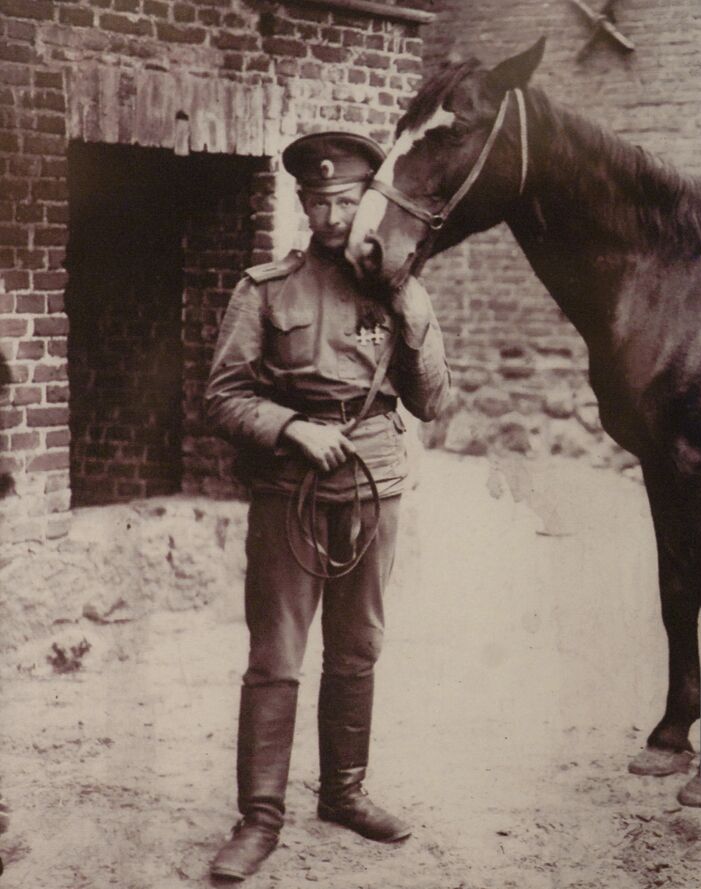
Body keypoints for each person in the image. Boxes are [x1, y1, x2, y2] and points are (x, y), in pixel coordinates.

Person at [204, 132, 450, 881]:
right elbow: (221, 394)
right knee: (275, 655)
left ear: (365, 199)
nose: (334, 211)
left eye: (347, 198)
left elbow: (433, 402)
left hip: (375, 484)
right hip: (290, 488)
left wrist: (408, 306)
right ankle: (260, 818)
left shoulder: (398, 287)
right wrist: (291, 428)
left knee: (359, 646)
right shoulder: (266, 288)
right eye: (320, 199)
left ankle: (344, 793)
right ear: (303, 203)